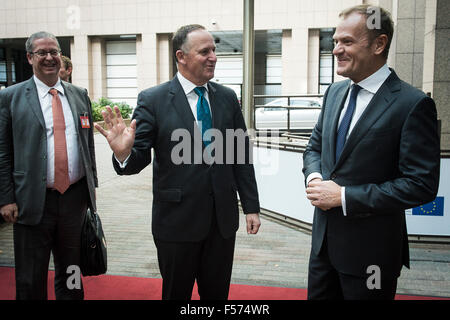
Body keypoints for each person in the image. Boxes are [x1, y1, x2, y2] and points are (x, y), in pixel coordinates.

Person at [95, 24, 261, 300]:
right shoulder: (153, 99)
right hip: (176, 223)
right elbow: (138, 158)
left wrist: (251, 207)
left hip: (221, 223)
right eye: (204, 51)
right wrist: (123, 153)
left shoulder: (227, 98)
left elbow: (240, 155)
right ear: (181, 56)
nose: (213, 57)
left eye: (214, 50)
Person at [303, 5, 440, 300]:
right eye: (335, 41)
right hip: (323, 250)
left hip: (371, 258)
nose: (336, 50)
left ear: (379, 44)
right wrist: (314, 178)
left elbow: (421, 184)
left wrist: (343, 196)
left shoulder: (412, 104)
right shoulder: (333, 93)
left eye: (347, 42)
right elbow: (314, 146)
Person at [0, 31, 98, 300]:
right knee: (30, 278)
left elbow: (87, 143)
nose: (49, 57)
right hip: (31, 201)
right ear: (30, 57)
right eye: (42, 52)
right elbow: (2, 152)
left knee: (72, 274)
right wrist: (6, 198)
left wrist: (92, 188)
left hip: (74, 200)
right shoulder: (11, 97)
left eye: (54, 51)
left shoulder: (79, 95)